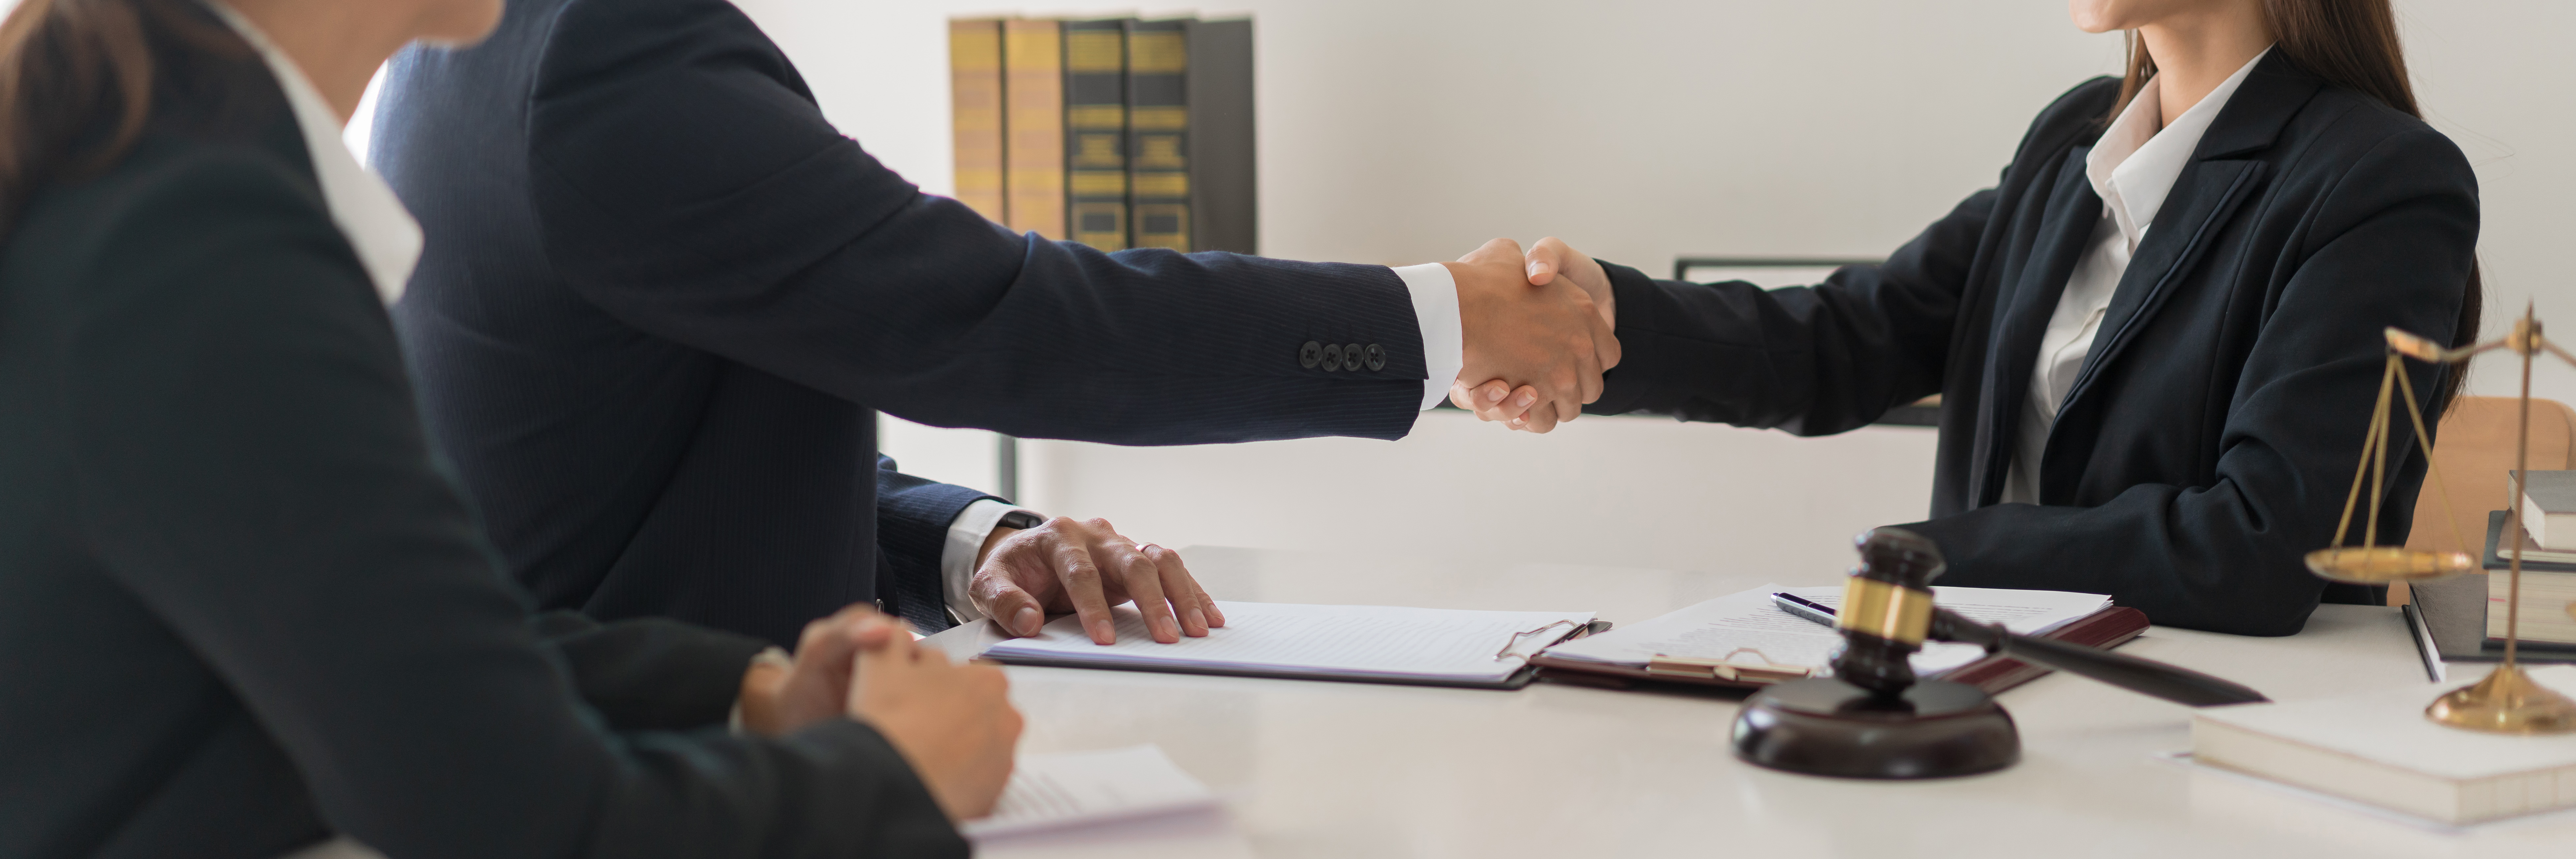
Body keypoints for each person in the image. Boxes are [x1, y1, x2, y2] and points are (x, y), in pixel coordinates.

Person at [0, 1, 1022, 856]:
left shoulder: (150, 161)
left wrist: (747, 692)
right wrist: (889, 775)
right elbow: (523, 820)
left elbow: (383, 648)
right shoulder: (205, 244)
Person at [369, 0, 1618, 650]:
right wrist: (1440, 322)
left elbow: (656, 451)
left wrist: (967, 542)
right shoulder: (607, 50)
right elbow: (1000, 319)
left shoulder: (469, 49)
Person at [1456, 0, 2479, 636]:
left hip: (2202, 736)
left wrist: (1936, 554)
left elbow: (2259, 548)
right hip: (1993, 687)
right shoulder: (2072, 142)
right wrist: (1602, 317)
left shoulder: (2377, 184)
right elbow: (1843, 338)